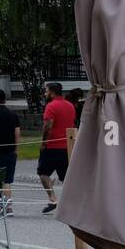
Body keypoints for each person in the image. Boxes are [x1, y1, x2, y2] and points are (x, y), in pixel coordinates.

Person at [39, 82, 76, 214]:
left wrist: (43, 142)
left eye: (46, 91)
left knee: (43, 173)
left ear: (52, 92)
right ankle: (72, 201)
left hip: (52, 146)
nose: (45, 93)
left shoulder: (51, 106)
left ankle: (53, 198)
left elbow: (48, 125)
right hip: (67, 145)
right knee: (66, 176)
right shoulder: (70, 105)